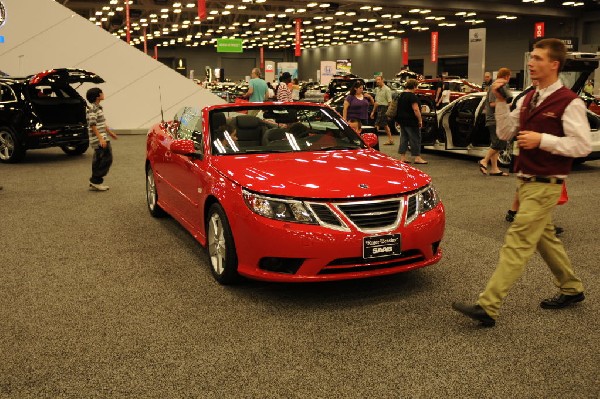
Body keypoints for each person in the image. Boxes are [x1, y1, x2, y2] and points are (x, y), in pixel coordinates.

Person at [452, 38, 591, 327]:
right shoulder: (529, 98)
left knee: (516, 242)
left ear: (554, 64)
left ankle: (488, 305)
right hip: (525, 182)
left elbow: (582, 146)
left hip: (547, 184)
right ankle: (572, 287)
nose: (531, 62)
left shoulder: (569, 102)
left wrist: (544, 140)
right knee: (545, 239)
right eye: (532, 57)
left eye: (538, 58)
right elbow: (504, 132)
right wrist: (501, 102)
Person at [478, 67, 512, 177]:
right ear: (506, 76)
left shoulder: (498, 86)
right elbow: (492, 103)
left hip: (497, 118)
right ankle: (484, 160)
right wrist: (505, 104)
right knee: (498, 142)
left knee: (495, 144)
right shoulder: (495, 87)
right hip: (494, 118)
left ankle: (494, 169)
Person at [86, 88, 118, 192]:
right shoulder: (92, 108)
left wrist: (110, 133)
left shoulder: (98, 107)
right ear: (97, 96)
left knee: (99, 159)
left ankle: (95, 181)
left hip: (101, 136)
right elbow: (92, 124)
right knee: (107, 158)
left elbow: (101, 123)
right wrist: (100, 139)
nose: (103, 94)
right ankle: (96, 180)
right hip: (98, 138)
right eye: (101, 93)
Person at [392, 79, 427, 164]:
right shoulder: (412, 96)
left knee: (404, 138)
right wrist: (420, 120)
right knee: (415, 138)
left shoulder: (401, 95)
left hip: (402, 120)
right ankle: (417, 157)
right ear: (414, 86)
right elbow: (416, 109)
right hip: (411, 121)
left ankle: (403, 157)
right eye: (416, 87)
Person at [370, 75, 394, 145]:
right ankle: (390, 140)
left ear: (382, 80)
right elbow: (376, 102)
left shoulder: (387, 89)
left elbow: (390, 102)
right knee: (384, 125)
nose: (377, 81)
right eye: (376, 80)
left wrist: (389, 113)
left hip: (385, 108)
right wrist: (373, 111)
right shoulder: (377, 89)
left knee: (377, 124)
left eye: (379, 79)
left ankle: (373, 140)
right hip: (379, 108)